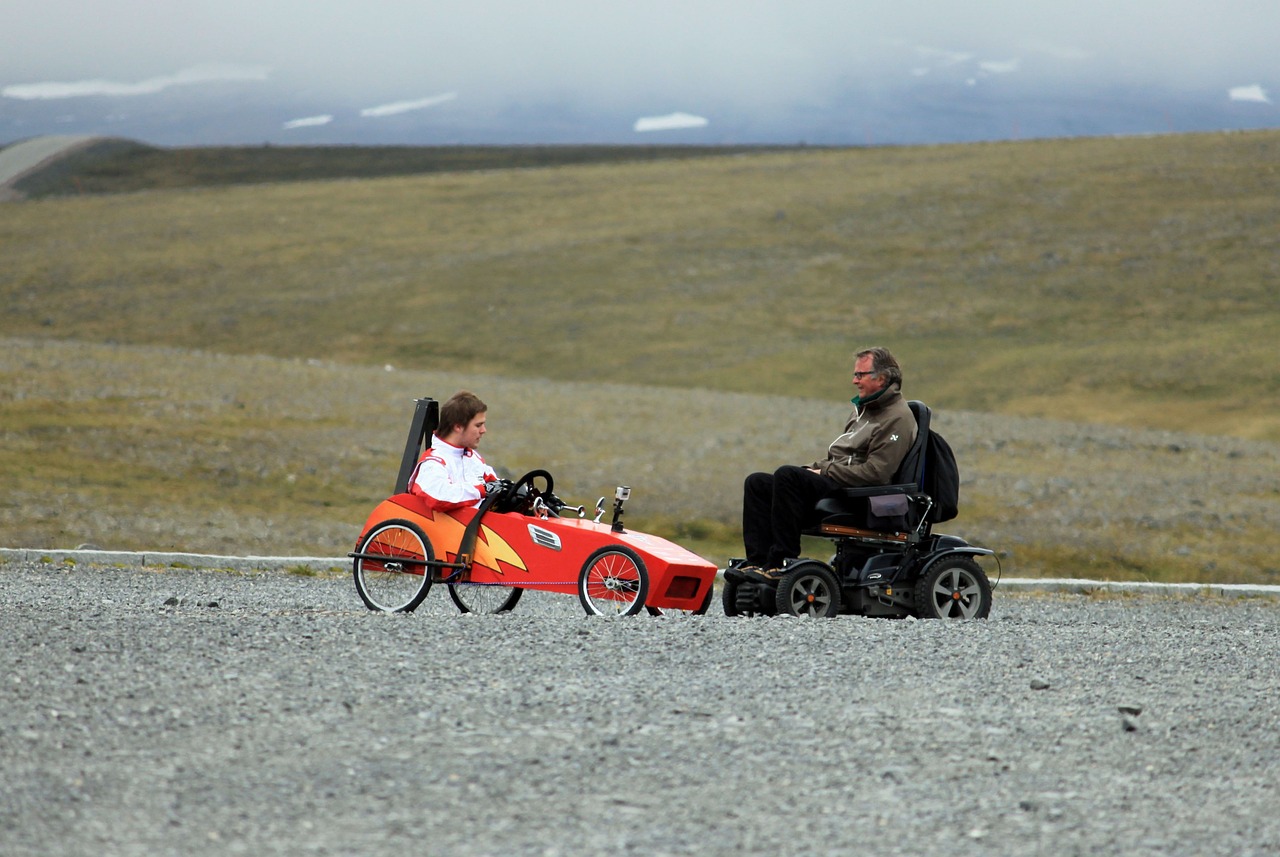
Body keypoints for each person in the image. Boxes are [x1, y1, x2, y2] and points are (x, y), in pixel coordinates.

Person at [735, 347, 917, 582]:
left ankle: (782, 562)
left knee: (787, 476)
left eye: (860, 375)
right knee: (758, 483)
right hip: (840, 483)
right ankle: (758, 563)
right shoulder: (863, 412)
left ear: (881, 378)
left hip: (860, 496)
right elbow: (840, 458)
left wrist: (825, 471)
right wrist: (814, 469)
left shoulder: (898, 418)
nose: (854, 381)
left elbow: (878, 473)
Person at [408, 390, 505, 511]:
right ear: (458, 426)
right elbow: (439, 497)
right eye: (478, 425)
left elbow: (494, 483)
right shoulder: (434, 463)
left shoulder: (473, 458)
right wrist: (482, 490)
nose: (483, 430)